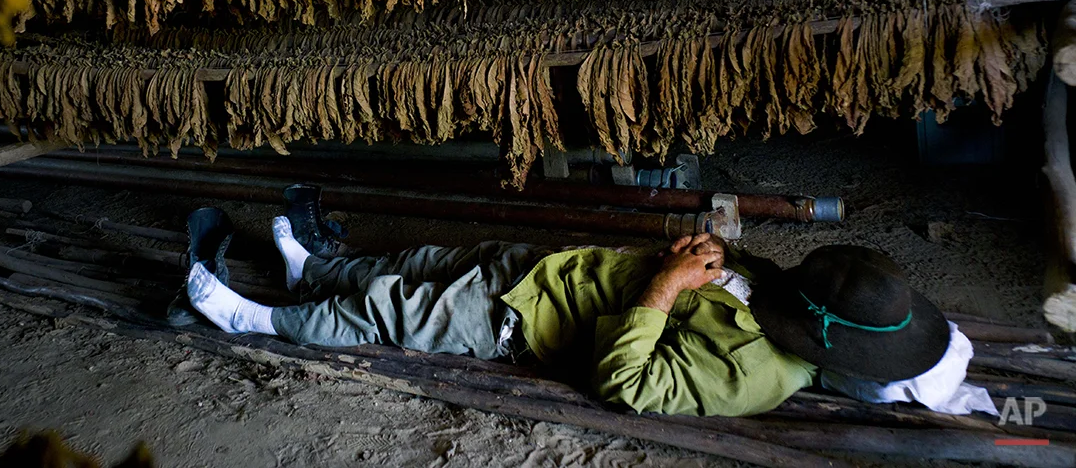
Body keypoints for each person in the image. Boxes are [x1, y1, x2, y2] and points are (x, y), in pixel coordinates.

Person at [184, 215, 966, 418]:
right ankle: (309, 268)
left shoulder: (755, 373)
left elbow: (623, 378)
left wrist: (663, 286)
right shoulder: (784, 297)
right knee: (413, 261)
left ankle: (259, 320)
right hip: (548, 268)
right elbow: (734, 279)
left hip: (515, 318)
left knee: (389, 307)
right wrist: (710, 252)